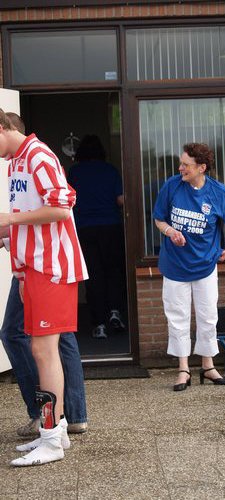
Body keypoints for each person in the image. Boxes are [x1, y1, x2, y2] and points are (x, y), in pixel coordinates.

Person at [0, 108, 88, 466]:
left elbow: (62, 208)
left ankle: (51, 438)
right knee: (41, 349)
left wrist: (11, 219)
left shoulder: (39, 155)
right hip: (32, 269)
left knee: (44, 352)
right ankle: (56, 431)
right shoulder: (16, 162)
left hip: (52, 267)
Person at [153, 142, 225, 391]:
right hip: (175, 265)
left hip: (205, 265)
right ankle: (183, 369)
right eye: (181, 163)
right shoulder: (172, 185)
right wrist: (170, 231)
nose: (180, 168)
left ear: (201, 167)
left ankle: (208, 365)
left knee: (207, 316)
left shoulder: (217, 191)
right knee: (177, 317)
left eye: (186, 164)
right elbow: (159, 218)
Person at [67, 135, 126, 339]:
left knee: (93, 275)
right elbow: (120, 200)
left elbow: (67, 201)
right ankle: (115, 312)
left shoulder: (74, 172)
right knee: (113, 272)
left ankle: (99, 324)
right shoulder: (110, 170)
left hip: (84, 228)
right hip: (111, 226)